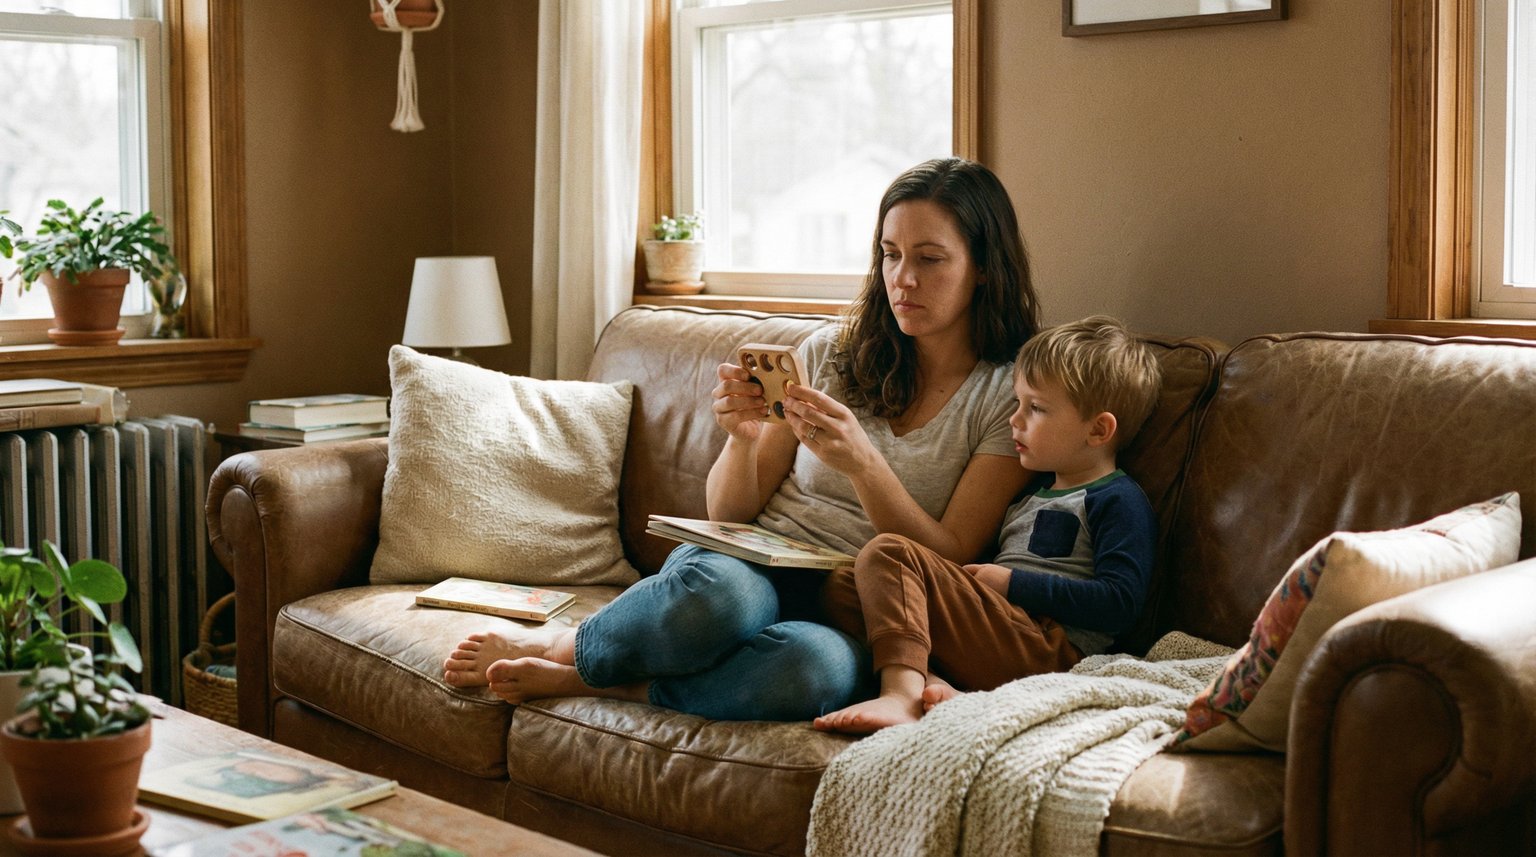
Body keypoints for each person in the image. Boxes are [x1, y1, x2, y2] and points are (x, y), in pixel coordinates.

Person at [442, 157, 1040, 720]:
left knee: (815, 670)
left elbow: (951, 558)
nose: (901, 279)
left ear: (983, 266)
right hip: (750, 567)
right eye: (889, 254)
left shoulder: (1006, 395)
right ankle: (567, 644)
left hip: (853, 610)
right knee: (722, 601)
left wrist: (865, 464)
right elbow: (730, 513)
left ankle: (605, 680)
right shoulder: (830, 354)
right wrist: (745, 439)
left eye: (930, 259)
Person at [813, 315, 1162, 734]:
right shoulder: (1030, 495)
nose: (1015, 420)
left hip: (1050, 648)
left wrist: (1012, 584)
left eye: (1036, 408)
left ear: (1098, 429)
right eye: (1017, 403)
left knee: (890, 551)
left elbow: (1119, 603)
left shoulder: (1117, 500)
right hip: (1001, 631)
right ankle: (933, 682)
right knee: (847, 583)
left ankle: (901, 696)